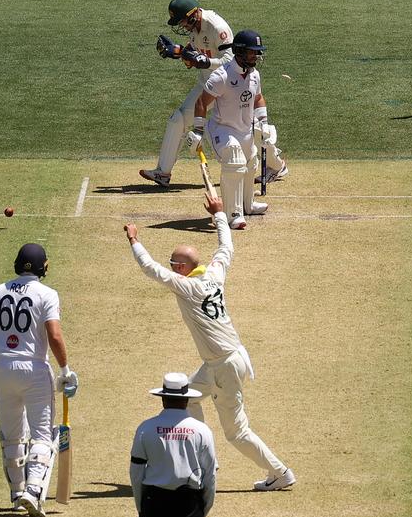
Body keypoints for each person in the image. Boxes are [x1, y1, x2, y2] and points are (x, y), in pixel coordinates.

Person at [124, 193, 295, 492]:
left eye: (172, 262)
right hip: (225, 360)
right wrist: (218, 213)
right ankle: (206, 461)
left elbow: (150, 269)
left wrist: (134, 240)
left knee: (237, 432)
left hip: (225, 366)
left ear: (180, 268)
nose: (170, 266)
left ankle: (280, 473)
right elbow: (225, 246)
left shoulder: (186, 287)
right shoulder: (214, 273)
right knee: (187, 399)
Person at [0, 243, 78, 517]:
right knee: (41, 435)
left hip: (3, 367)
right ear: (43, 266)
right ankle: (33, 489)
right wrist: (65, 369)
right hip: (34, 369)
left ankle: (17, 493)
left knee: (11, 435)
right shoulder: (47, 294)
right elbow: (54, 336)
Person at [191, 29, 287, 229]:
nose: (256, 56)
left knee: (251, 162)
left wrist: (263, 123)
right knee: (235, 160)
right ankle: (231, 214)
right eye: (253, 52)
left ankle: (247, 205)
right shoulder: (222, 76)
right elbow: (201, 102)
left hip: (245, 129)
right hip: (222, 129)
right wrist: (198, 131)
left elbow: (258, 97)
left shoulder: (254, 75)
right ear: (240, 52)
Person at [140, 0, 234, 188]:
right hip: (205, 84)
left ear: (193, 15)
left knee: (242, 128)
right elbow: (193, 56)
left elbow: (230, 62)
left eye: (182, 21)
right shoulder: (194, 28)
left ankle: (275, 164)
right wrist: (179, 53)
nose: (181, 26)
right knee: (178, 119)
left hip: (225, 86)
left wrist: (205, 62)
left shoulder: (217, 27)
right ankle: (162, 173)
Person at [131, 372, 217, 517]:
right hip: (189, 502)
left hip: (154, 501)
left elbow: (136, 473)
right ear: (187, 399)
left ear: (162, 398)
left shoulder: (146, 428)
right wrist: (202, 507)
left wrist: (142, 506)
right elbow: (210, 474)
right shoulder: (201, 431)